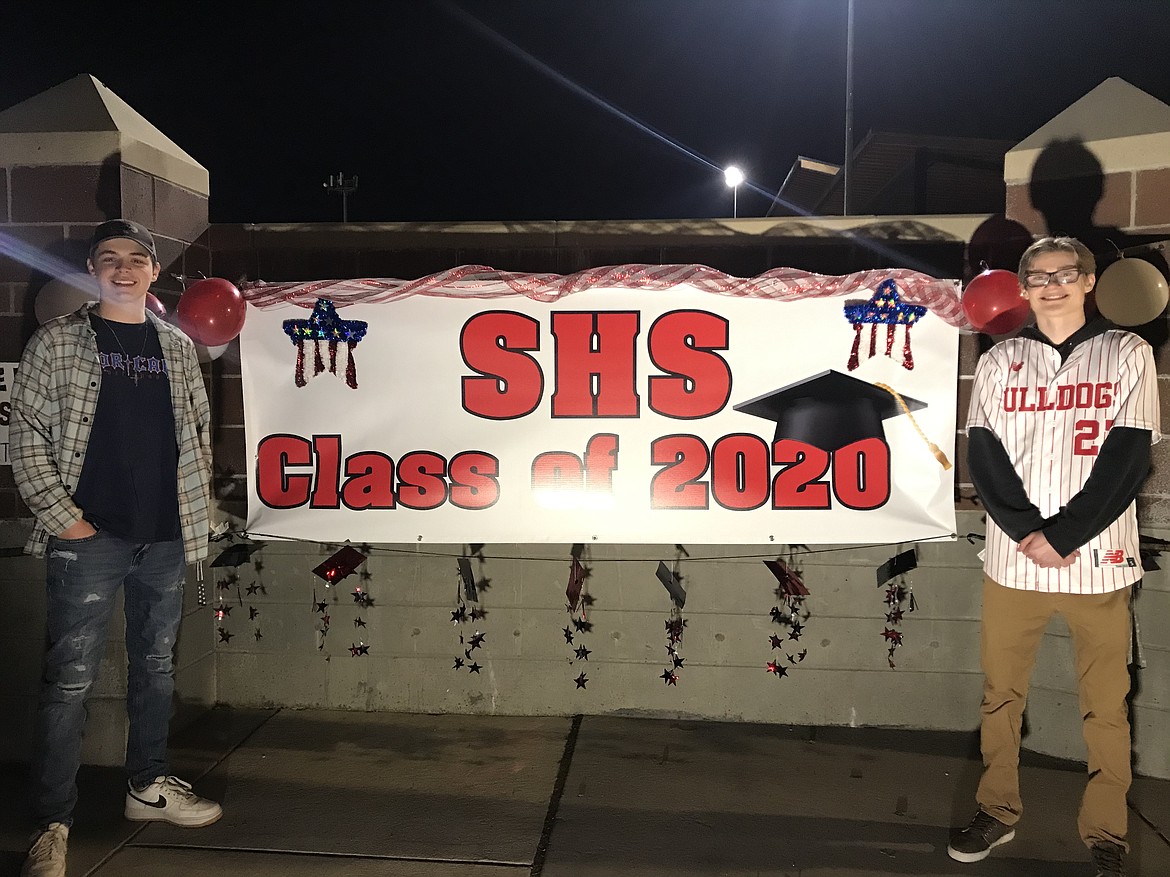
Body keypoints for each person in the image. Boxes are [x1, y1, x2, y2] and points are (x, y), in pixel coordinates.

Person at [11, 220, 222, 877]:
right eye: (111, 259)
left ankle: (147, 786)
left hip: (163, 535)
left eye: (137, 259)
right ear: (93, 269)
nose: (124, 269)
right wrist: (65, 519)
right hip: (90, 536)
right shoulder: (60, 343)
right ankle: (51, 823)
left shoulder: (176, 346)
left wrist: (195, 518)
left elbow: (197, 431)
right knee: (68, 680)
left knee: (156, 667)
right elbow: (27, 437)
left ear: (154, 271)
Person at [951, 236, 1160, 877]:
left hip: (1099, 557)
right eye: (1038, 276)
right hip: (1012, 563)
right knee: (1000, 695)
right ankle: (998, 810)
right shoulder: (999, 360)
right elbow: (982, 455)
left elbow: (1129, 457)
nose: (1053, 284)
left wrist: (1064, 536)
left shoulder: (1128, 351)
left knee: (1104, 700)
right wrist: (1023, 531)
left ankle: (1105, 830)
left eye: (1067, 273)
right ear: (1023, 288)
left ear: (1090, 280)